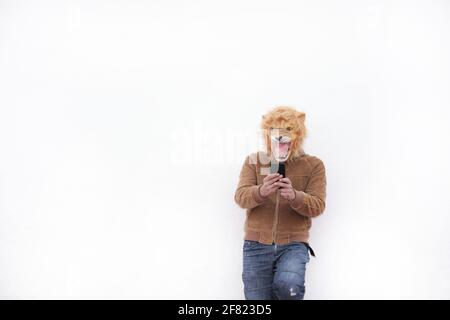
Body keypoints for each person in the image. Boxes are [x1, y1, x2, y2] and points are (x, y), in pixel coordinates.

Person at [234, 106, 327, 300]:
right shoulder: (254, 161)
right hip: (255, 246)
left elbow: (318, 205)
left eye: (288, 132)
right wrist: (261, 191)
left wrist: (295, 196)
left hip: (293, 245)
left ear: (298, 134)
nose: (280, 139)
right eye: (275, 133)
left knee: (288, 286)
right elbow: (241, 197)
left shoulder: (314, 165)